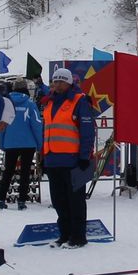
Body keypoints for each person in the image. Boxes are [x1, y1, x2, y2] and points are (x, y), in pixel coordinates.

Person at [41, 67, 96, 248]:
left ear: (69, 83)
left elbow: (87, 131)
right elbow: (47, 130)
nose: (57, 84)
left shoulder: (79, 101)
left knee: (76, 201)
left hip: (73, 160)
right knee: (59, 201)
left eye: (61, 81)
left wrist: (84, 156)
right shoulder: (49, 103)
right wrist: (43, 156)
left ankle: (78, 237)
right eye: (55, 81)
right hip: (53, 159)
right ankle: (64, 235)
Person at [0, 79, 41, 210]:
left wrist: (2, 142)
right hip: (28, 143)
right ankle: (21, 201)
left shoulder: (7, 104)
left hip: (11, 142)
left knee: (8, 172)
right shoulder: (30, 104)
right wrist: (39, 143)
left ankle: (0, 199)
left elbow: (2, 124)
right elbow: (37, 124)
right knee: (25, 172)